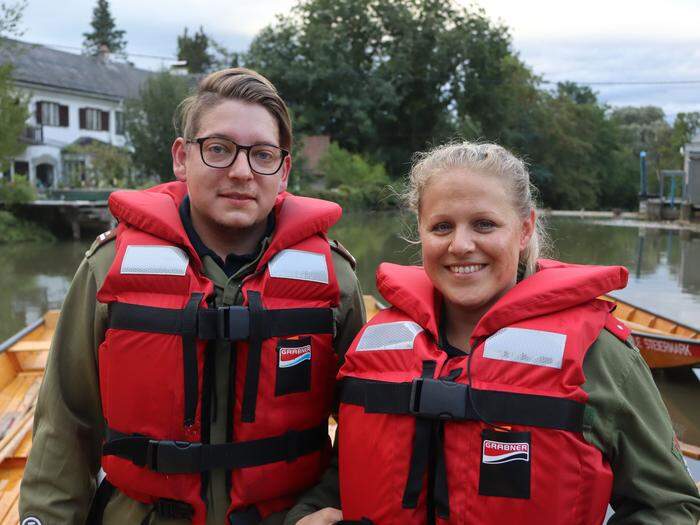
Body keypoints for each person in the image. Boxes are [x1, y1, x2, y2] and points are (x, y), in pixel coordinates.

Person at [19, 67, 365, 525]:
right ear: (183, 158)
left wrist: (318, 507)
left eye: (262, 155)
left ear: (283, 171)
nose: (241, 172)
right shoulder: (107, 269)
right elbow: (65, 425)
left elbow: (367, 430)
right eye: (219, 149)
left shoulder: (334, 281)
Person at [288, 142, 700, 525]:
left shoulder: (601, 355)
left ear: (523, 231)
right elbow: (347, 473)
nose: (461, 245)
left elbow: (670, 507)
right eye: (442, 227)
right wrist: (308, 514)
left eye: (484, 224)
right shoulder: (376, 341)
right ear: (421, 231)